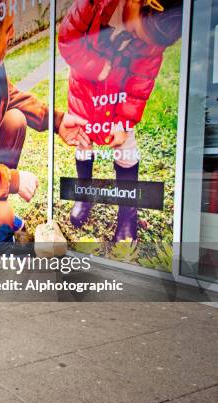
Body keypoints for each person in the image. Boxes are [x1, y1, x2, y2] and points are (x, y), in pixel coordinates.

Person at [58, 0, 182, 241]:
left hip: (121, 92)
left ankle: (127, 215)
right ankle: (84, 196)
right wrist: (98, 68)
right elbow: (67, 41)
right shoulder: (93, 5)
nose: (139, 39)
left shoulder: (155, 36)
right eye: (137, 32)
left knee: (126, 149)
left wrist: (124, 122)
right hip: (85, 87)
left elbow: (142, 78)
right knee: (83, 141)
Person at [0, 0, 89, 228]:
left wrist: (58, 121)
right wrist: (15, 180)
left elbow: (14, 97)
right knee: (3, 218)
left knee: (15, 119)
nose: (13, 34)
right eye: (7, 29)